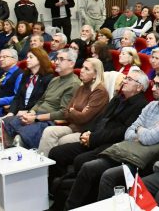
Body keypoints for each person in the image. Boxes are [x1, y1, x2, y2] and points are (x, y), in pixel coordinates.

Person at [64, 70, 159, 209]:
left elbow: (148, 138)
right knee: (88, 167)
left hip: (146, 159)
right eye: (153, 84)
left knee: (106, 175)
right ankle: (71, 207)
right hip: (128, 150)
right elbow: (129, 133)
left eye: (158, 85)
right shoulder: (151, 105)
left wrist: (140, 130)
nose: (153, 88)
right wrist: (143, 131)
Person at [47, 68, 148, 206]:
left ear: (139, 87)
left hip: (110, 145)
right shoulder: (119, 98)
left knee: (81, 160)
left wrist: (93, 138)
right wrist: (88, 133)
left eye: (129, 79)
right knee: (56, 153)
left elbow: (121, 132)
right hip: (94, 138)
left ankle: (75, 201)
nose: (124, 81)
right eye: (126, 78)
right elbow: (101, 119)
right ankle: (55, 192)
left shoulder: (141, 105)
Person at [3, 49, 82, 149]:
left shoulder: (73, 84)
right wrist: (31, 112)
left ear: (71, 63)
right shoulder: (55, 80)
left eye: (61, 59)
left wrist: (36, 118)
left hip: (49, 120)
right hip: (37, 115)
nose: (56, 62)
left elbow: (63, 113)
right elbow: (41, 100)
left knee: (20, 138)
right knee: (5, 126)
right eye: (57, 59)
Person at [38, 58, 109, 155]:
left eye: (87, 69)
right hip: (73, 126)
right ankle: (43, 165)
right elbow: (66, 112)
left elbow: (84, 118)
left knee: (63, 141)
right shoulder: (82, 87)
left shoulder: (99, 92)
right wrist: (74, 111)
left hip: (86, 132)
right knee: (49, 131)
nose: (82, 70)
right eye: (82, 67)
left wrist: (73, 111)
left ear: (95, 74)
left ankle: (52, 167)